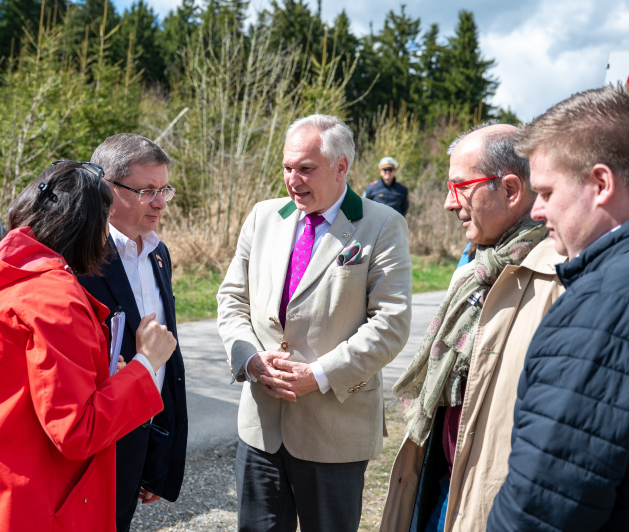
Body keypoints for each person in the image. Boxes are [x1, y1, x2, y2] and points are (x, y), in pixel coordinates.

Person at [0, 161, 177, 532]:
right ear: (90, 230)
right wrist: (145, 363)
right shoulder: (53, 300)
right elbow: (77, 430)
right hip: (15, 502)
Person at [216, 114, 412, 532]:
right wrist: (250, 359)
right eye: (287, 167)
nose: (293, 179)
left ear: (341, 166)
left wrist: (319, 375)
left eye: (306, 168)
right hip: (261, 428)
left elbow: (391, 323)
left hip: (334, 432)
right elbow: (232, 299)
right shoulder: (263, 217)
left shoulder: (381, 225)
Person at [380, 124, 565, 532]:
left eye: (461, 186)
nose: (450, 203)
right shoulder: (476, 265)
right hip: (440, 482)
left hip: (489, 503)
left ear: (511, 190)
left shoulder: (557, 279)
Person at [488, 86, 629, 530]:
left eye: (546, 191)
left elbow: (543, 505)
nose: (537, 210)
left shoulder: (601, 309)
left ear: (601, 184)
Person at [78, 134, 187, 532]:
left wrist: (158, 453)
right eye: (146, 191)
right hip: (95, 445)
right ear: (106, 188)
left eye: (164, 190)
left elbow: (165, 361)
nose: (159, 203)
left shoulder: (159, 253)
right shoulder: (79, 257)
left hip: (140, 435)